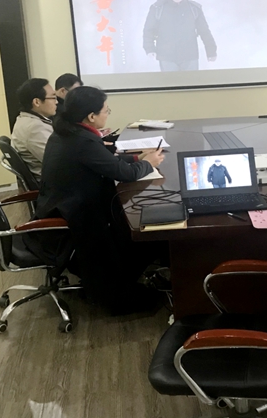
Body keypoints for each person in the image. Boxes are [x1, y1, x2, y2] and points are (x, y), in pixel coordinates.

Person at [23, 86, 165, 313]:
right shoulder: (83, 141)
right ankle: (123, 282)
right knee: (131, 220)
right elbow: (123, 173)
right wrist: (149, 163)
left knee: (124, 217)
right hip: (77, 217)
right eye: (106, 110)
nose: (108, 114)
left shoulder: (67, 132)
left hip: (61, 206)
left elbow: (106, 161)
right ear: (91, 116)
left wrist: (138, 158)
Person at [143, 0, 217, 72]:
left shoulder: (194, 8)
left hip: (190, 56)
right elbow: (149, 30)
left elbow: (204, 31)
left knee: (191, 81)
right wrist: (150, 49)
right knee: (170, 81)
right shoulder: (157, 8)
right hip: (166, 56)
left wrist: (211, 51)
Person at [11, 78, 57, 178]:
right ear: (37, 102)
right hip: (53, 181)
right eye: (53, 97)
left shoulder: (25, 119)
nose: (56, 102)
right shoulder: (34, 129)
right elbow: (58, 161)